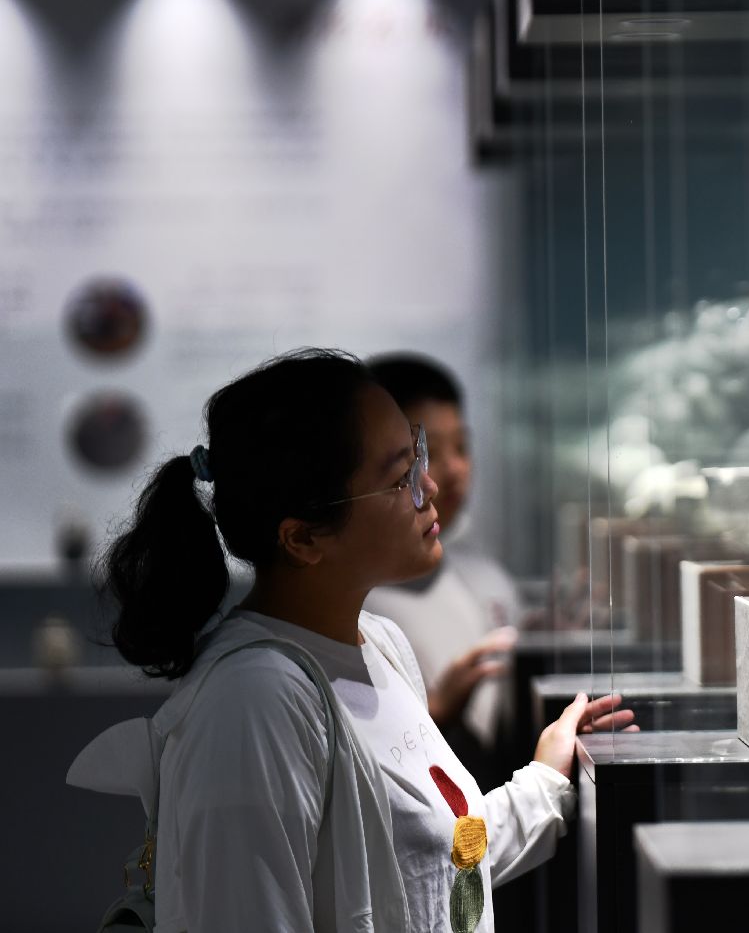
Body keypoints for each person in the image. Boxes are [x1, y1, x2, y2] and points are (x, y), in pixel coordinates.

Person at [72, 348, 633, 932]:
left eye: (417, 454)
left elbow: (436, 871)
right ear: (303, 538)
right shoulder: (255, 701)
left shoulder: (379, 644)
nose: (429, 486)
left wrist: (545, 779)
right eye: (400, 477)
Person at [362, 354, 521, 779]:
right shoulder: (352, 605)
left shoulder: (486, 579)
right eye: (413, 462)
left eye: (462, 447)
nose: (444, 474)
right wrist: (434, 712)